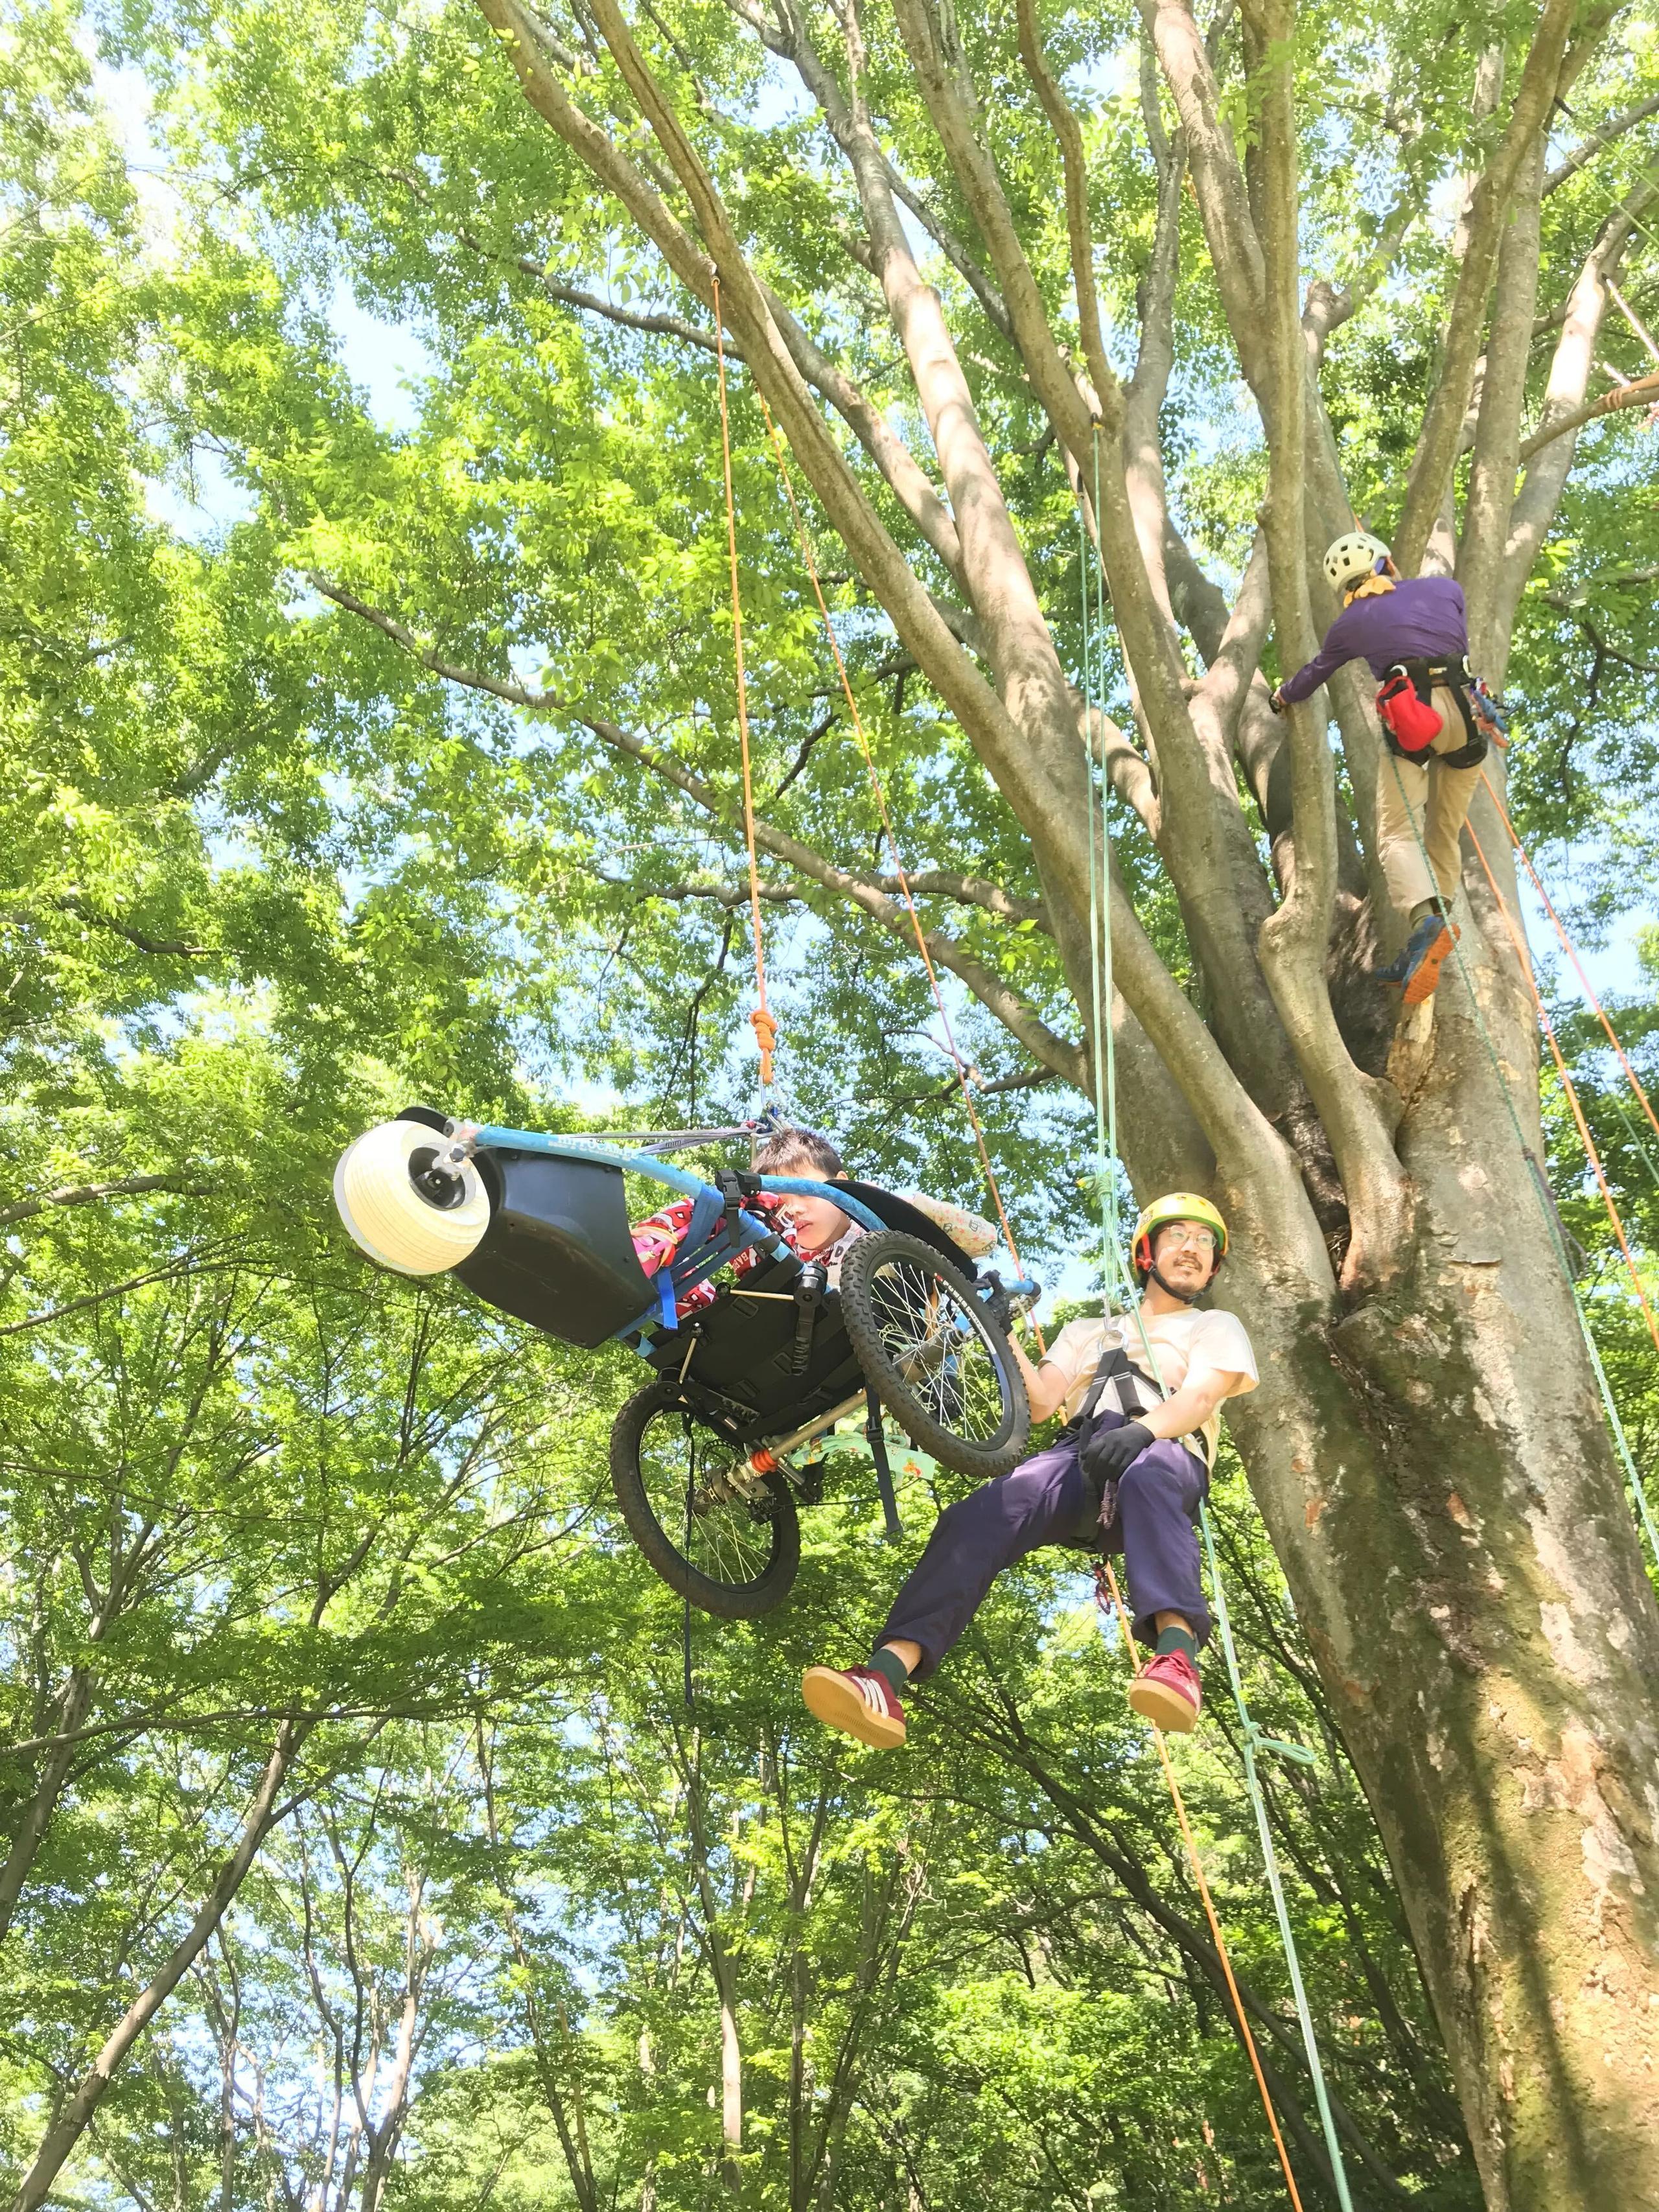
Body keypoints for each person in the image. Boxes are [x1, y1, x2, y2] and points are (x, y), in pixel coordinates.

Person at [800, 1194, 1258, 1750]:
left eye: (1205, 1241)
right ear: (1147, 1251)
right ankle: (885, 1677)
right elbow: (1041, 1401)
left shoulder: (1215, 1324)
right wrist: (1001, 1328)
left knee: (1150, 1469)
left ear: (1214, 1265)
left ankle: (1178, 1659)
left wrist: (1142, 1432)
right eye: (1177, 1235)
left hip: (1163, 1446)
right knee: (981, 1514)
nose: (1192, 1248)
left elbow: (1202, 1395)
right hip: (1078, 1456)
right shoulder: (1090, 1329)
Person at [1270, 531, 1502, 1005]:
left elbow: (1314, 674)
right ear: (1387, 562)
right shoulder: (1445, 590)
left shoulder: (1350, 622)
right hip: (1467, 712)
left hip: (1415, 717)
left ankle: (1426, 924)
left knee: (1396, 833)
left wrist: (1282, 696)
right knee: (1444, 829)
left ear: (1344, 586)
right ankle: (1436, 922)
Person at [629, 1126, 996, 1320]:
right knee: (726, 1208)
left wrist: (900, 1203)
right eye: (785, 1201)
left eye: (804, 1192)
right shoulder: (780, 1241)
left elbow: (984, 1240)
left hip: (889, 1324)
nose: (793, 1209)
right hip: (788, 1318)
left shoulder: (879, 1222)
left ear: (840, 1180)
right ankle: (633, 1264)